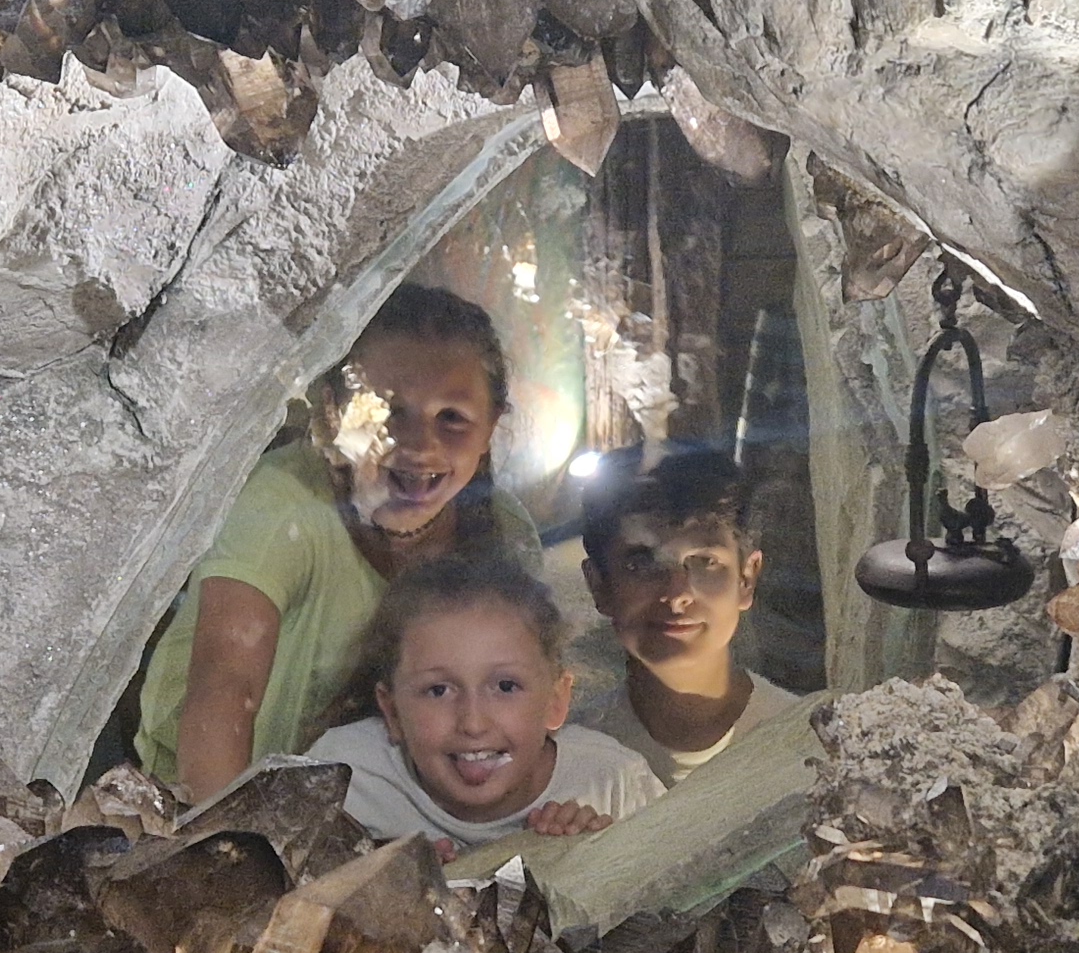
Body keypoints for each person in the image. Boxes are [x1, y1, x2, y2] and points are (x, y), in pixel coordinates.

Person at [132, 285, 541, 801]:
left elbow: (523, 708)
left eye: (452, 418)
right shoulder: (282, 505)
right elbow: (226, 685)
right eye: (387, 412)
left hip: (384, 809)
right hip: (212, 796)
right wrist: (220, 833)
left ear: (491, 427)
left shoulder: (506, 534)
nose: (419, 446)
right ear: (331, 411)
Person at [305, 555, 661, 849]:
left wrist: (598, 858)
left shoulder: (613, 786)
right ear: (393, 711)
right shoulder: (341, 777)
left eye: (505, 686)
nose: (473, 723)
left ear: (555, 701)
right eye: (438, 690)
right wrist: (363, 870)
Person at [573, 443, 805, 787]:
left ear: (746, 579)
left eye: (705, 562)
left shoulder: (804, 743)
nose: (677, 594)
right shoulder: (569, 765)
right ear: (599, 585)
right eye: (642, 564)